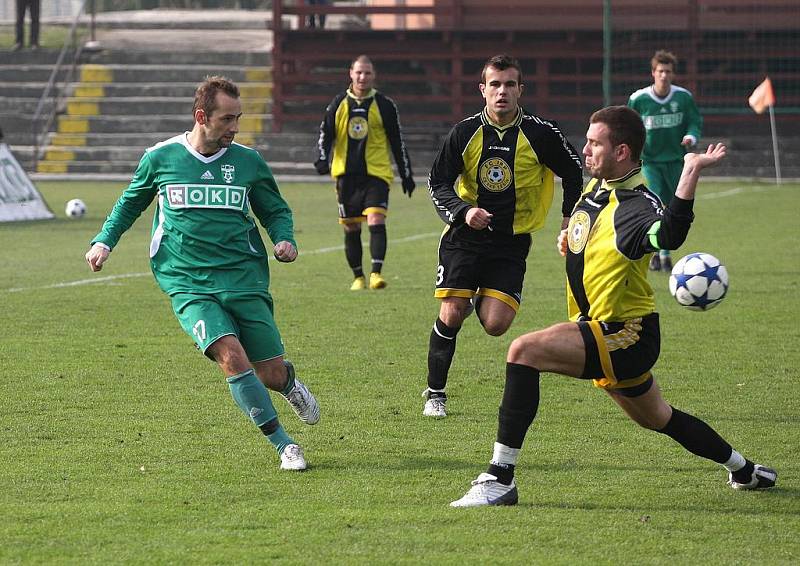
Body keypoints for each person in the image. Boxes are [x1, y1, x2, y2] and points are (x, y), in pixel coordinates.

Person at [450, 106, 776, 507]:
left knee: (523, 351)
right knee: (660, 418)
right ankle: (745, 470)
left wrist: (690, 170)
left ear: (621, 151)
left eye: (594, 142)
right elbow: (589, 233)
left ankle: (500, 478)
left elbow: (669, 233)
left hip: (625, 332)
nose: (585, 148)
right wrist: (570, 238)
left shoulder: (636, 204)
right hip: (601, 329)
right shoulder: (596, 188)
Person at [85, 76, 320, 471]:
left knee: (270, 373)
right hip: (187, 280)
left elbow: (274, 209)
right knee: (230, 355)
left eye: (238, 118)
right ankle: (284, 445)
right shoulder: (160, 158)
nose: (234, 127)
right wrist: (104, 241)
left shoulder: (249, 162)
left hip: (243, 278)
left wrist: (284, 239)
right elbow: (130, 203)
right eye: (227, 119)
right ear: (201, 116)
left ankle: (288, 383)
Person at [423, 54, 583, 418]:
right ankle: (435, 393)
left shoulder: (541, 133)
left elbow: (574, 171)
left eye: (510, 84)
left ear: (520, 90)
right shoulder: (464, 133)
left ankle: (475, 293)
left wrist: (568, 218)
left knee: (496, 325)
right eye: (495, 84)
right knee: (452, 311)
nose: (502, 92)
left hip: (511, 243)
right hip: (464, 238)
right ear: (482, 90)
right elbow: (438, 183)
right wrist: (464, 211)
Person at [314, 54, 415, 291]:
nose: (362, 77)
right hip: (345, 175)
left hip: (376, 173)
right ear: (351, 73)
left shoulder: (385, 105)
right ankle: (358, 277)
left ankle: (376, 274)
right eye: (359, 72)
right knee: (351, 226)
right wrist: (321, 158)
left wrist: (406, 173)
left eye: (367, 72)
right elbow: (325, 134)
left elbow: (397, 140)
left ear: (374, 76)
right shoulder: (338, 103)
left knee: (376, 218)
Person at [628, 50, 702, 272]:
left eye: (668, 71)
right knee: (656, 202)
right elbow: (629, 126)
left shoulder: (683, 97)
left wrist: (691, 135)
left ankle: (663, 253)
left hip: (675, 161)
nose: (663, 75)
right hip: (650, 162)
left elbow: (694, 121)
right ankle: (659, 254)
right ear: (653, 73)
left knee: (673, 204)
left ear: (673, 74)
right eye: (660, 71)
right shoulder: (638, 99)